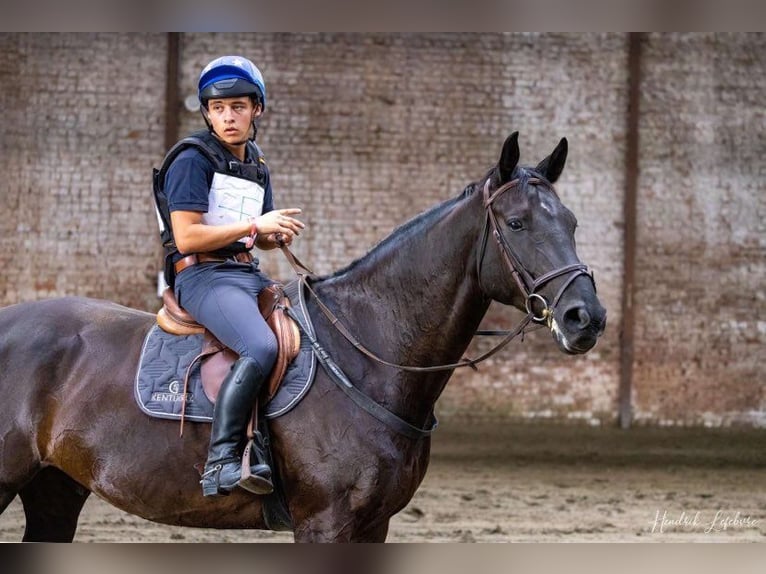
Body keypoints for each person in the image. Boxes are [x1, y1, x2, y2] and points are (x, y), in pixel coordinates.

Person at [158, 55, 305, 497]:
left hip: (244, 273)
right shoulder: (192, 158)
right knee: (259, 344)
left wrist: (271, 235)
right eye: (218, 109)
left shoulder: (256, 162)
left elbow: (254, 235)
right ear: (207, 112)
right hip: (201, 278)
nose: (228, 117)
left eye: (238, 107)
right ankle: (221, 460)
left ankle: (270, 445)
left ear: (256, 109)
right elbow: (187, 236)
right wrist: (255, 226)